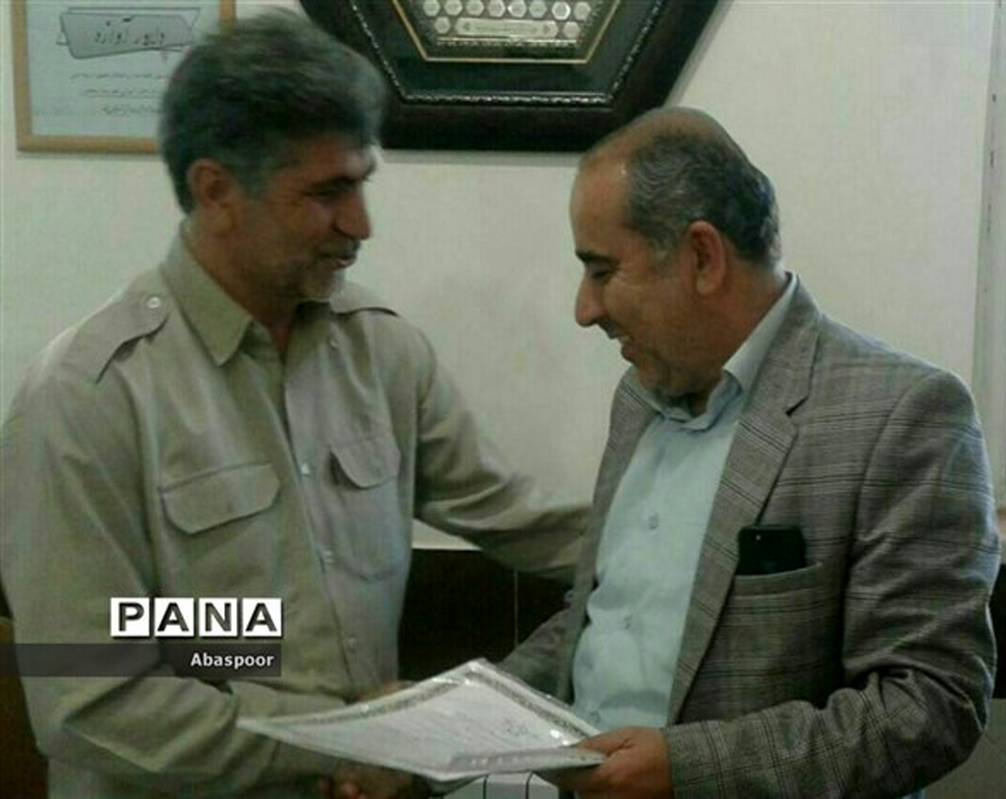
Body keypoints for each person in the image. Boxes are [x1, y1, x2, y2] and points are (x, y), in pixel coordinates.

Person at [0, 11, 584, 799]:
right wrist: (332, 740)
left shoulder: (380, 352)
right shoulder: (88, 398)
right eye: (326, 193)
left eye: (362, 183)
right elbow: (88, 692)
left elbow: (522, 518)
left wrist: (684, 547)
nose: (360, 224)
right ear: (216, 191)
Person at [499, 107, 1002, 798]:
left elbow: (929, 706)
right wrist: (456, 716)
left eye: (602, 271)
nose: (584, 309)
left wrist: (687, 769)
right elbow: (605, 617)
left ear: (703, 258)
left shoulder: (904, 415)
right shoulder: (638, 397)